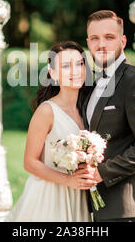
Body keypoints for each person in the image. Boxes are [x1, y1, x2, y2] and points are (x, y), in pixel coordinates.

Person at [76, 10, 135, 222]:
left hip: (128, 207)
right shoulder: (93, 84)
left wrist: (102, 173)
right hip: (100, 205)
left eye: (109, 37)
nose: (101, 45)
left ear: (123, 41)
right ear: (88, 43)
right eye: (95, 38)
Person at [6, 41, 95, 222]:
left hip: (77, 196)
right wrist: (67, 180)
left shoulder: (88, 109)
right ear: (53, 73)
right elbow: (29, 162)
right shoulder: (47, 111)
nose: (75, 71)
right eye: (65, 66)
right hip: (49, 195)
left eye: (79, 64)